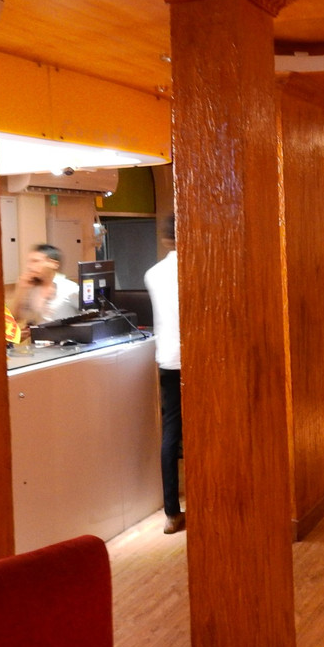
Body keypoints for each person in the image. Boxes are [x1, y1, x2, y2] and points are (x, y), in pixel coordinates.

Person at [144, 214, 185, 535]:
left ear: (165, 239)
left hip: (168, 360)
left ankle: (172, 512)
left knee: (171, 434)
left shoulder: (153, 274)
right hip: (198, 361)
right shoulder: (195, 269)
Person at [11, 243, 80, 336]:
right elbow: (14, 319)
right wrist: (20, 291)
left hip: (68, 342)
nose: (30, 266)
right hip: (41, 343)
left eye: (36, 261)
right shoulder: (31, 289)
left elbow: (92, 316)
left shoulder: (70, 289)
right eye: (29, 262)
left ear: (53, 264)